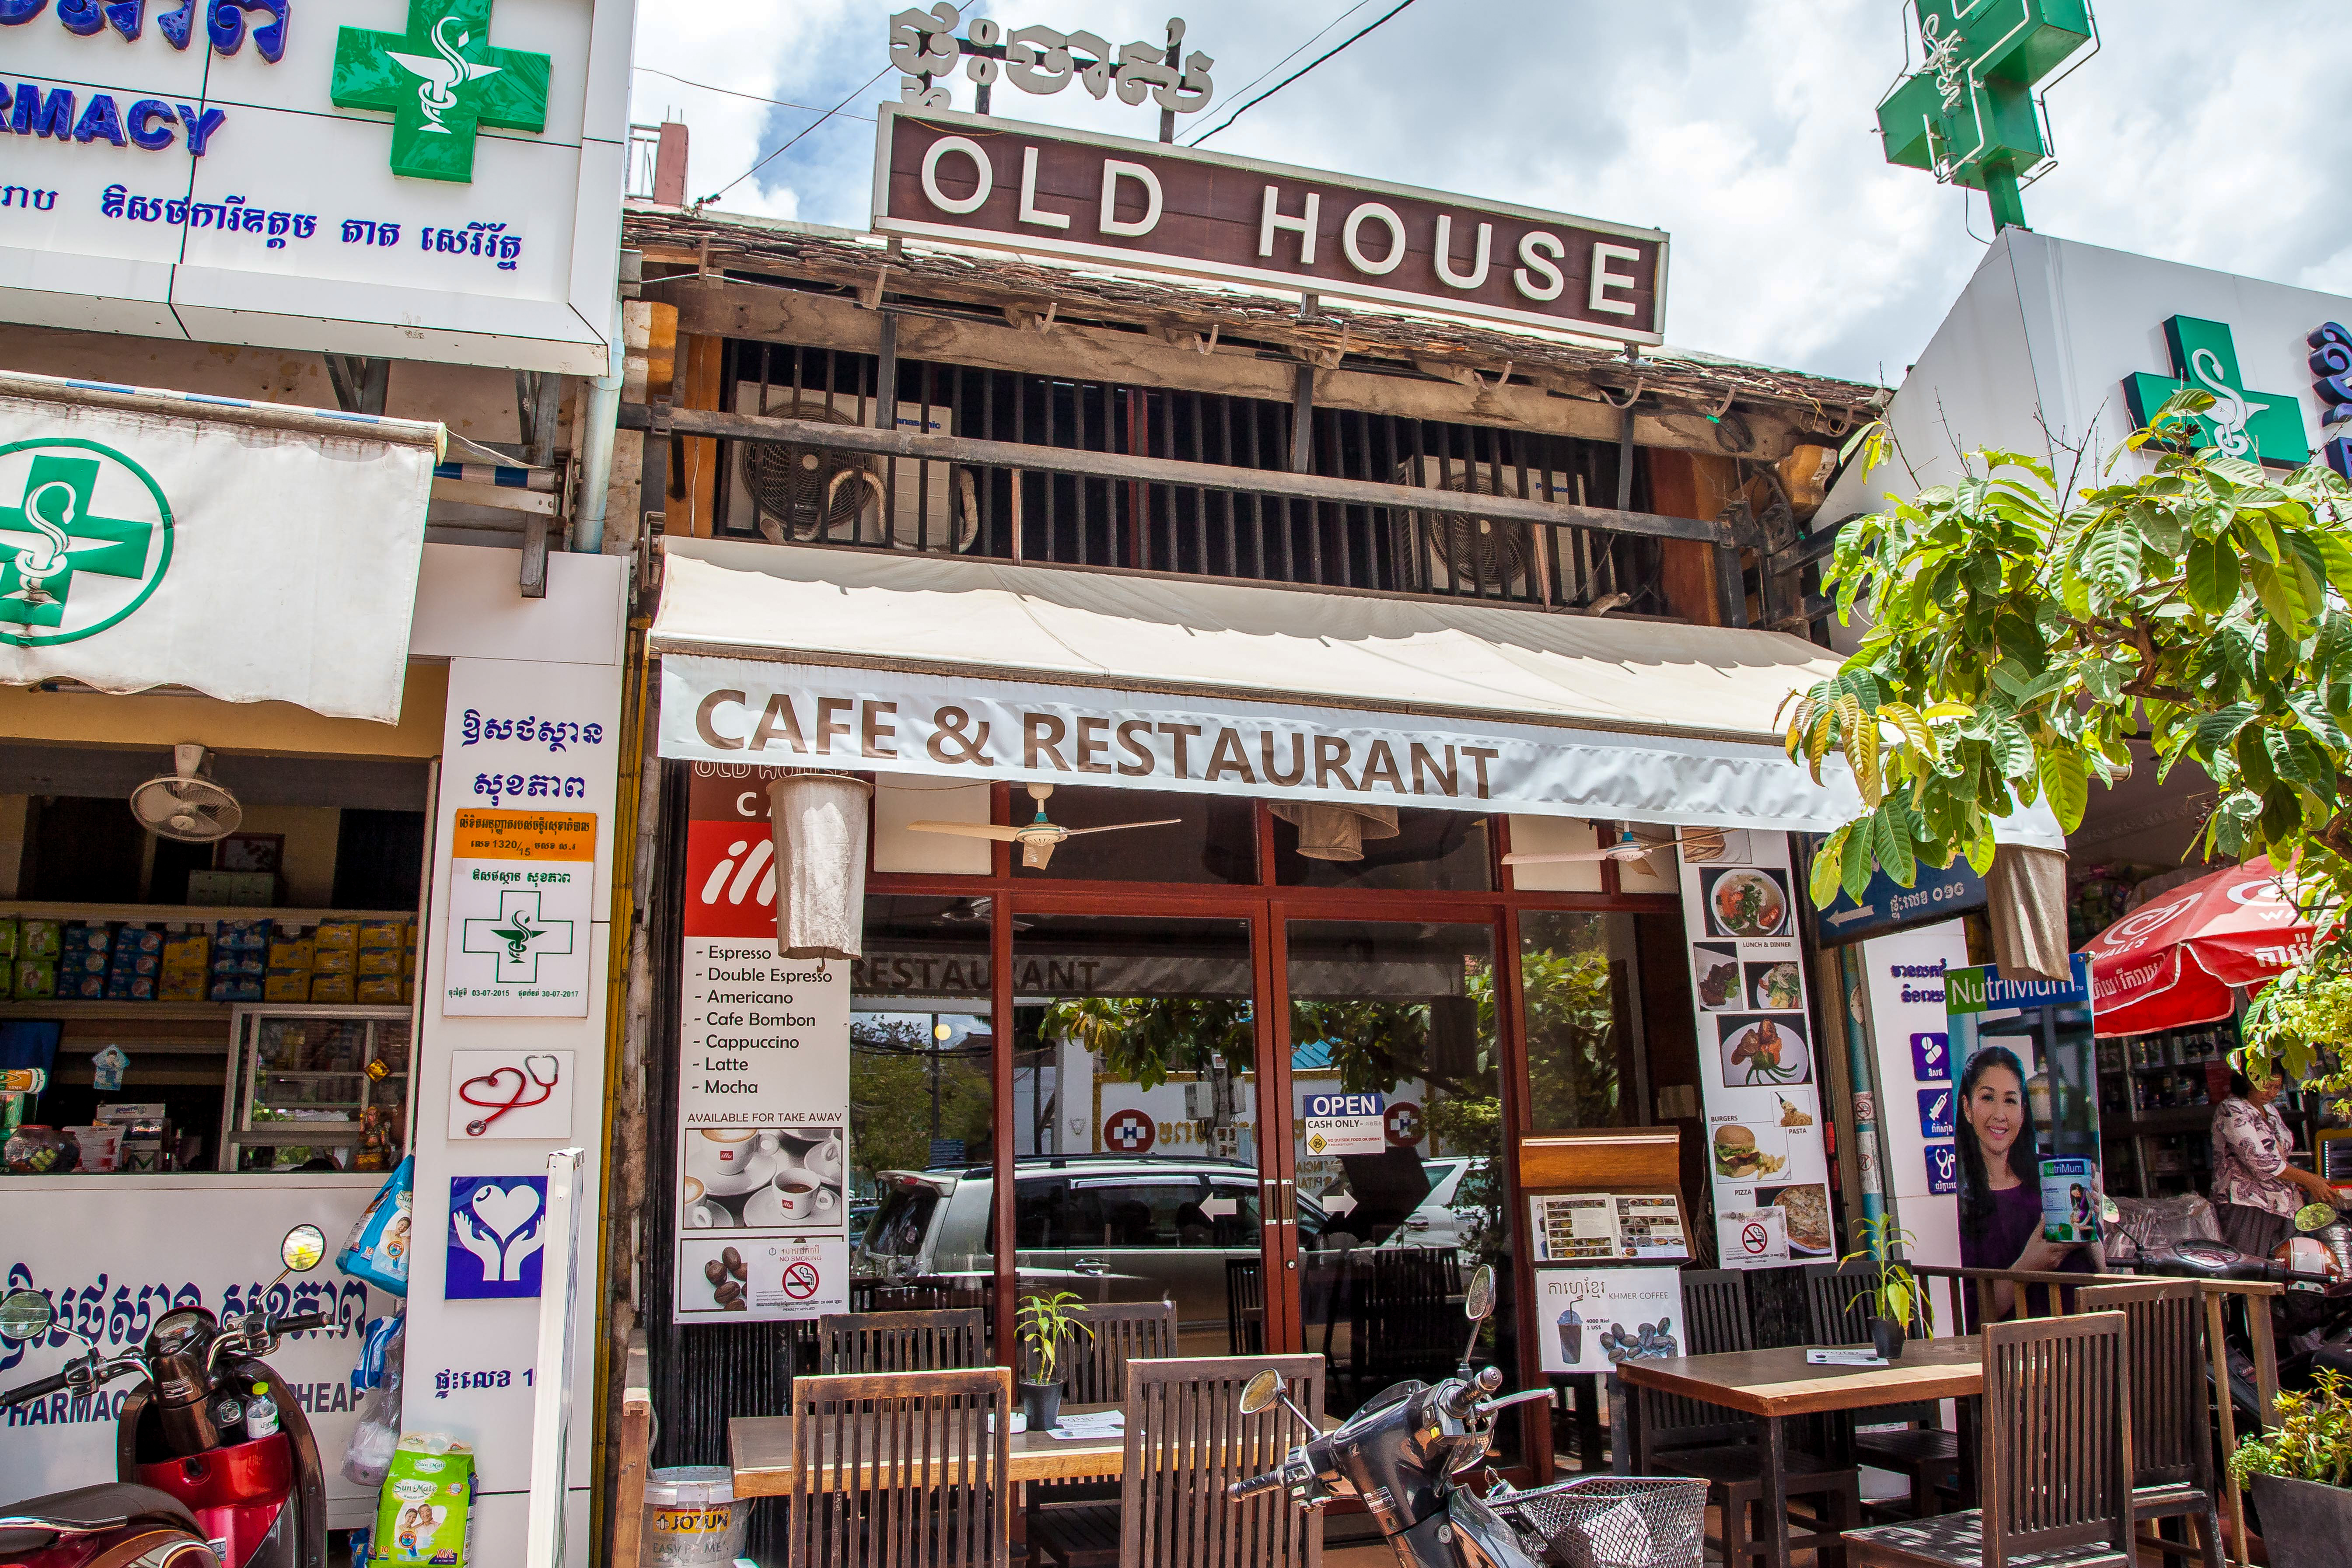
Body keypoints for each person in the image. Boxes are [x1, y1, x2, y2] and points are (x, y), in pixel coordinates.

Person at [1957, 1045, 2100, 1321]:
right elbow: (1969, 1320)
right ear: (1967, 1107)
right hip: (2008, 1354)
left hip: (2081, 1342)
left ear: (2023, 1112)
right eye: (1988, 1098)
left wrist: (2090, 1226)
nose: (2000, 1114)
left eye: (2010, 1101)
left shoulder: (2050, 1174)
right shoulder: (1955, 1196)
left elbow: (2101, 1274)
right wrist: (2028, 1266)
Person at [2211, 1067, 2337, 1259]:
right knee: (2249, 1267)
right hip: (2247, 1202)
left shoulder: (2270, 1110)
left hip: (2282, 1204)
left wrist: (2308, 1186)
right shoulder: (2232, 1108)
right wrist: (2309, 1180)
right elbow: (2259, 1159)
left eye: (2277, 1087)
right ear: (2249, 1082)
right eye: (2266, 1086)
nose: (2271, 1093)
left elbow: (2281, 1155)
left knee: (2284, 1266)